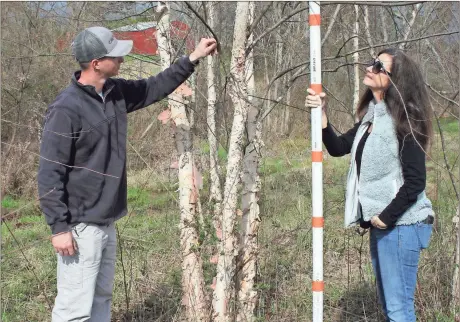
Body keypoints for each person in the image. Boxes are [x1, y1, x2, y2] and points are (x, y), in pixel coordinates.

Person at [37, 26, 217, 322]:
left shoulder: (115, 92)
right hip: (80, 225)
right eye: (115, 56)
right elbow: (49, 173)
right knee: (74, 310)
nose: (121, 61)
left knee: (101, 300)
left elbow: (154, 87)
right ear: (96, 63)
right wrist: (59, 228)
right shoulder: (66, 108)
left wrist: (193, 57)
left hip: (107, 220)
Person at [305, 48, 434, 322]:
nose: (370, 67)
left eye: (378, 66)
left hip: (403, 224)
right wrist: (323, 114)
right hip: (384, 225)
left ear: (395, 79)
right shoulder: (372, 117)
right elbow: (339, 147)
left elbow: (415, 181)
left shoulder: (407, 117)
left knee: (399, 311)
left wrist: (385, 218)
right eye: (371, 62)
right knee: (391, 310)